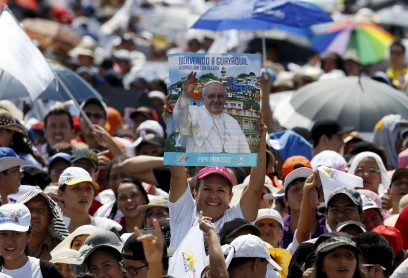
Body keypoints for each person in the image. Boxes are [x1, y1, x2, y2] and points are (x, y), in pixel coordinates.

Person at [168, 116, 267, 248]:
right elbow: (177, 176)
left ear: (230, 197)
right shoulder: (184, 212)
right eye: (207, 188)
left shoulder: (236, 219)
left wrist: (260, 142)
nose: (213, 195)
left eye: (221, 190)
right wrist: (173, 124)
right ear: (195, 193)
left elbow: (255, 189)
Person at [173, 72, 250, 153]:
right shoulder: (194, 113)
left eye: (220, 96)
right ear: (203, 99)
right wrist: (185, 94)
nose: (216, 100)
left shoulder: (233, 122)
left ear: (225, 99)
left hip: (229, 166)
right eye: (211, 96)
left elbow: (245, 154)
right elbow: (180, 121)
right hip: (199, 165)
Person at [0, 203, 64, 277]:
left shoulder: (46, 271)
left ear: (28, 236)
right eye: (3, 234)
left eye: (16, 234)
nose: (9, 241)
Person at [57, 167, 122, 232]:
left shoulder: (106, 228)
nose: (84, 194)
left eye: (88, 188)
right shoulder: (52, 230)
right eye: (76, 188)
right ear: (61, 194)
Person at [17, 189, 69, 260]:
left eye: (41, 210)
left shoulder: (62, 248)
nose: (34, 215)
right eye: (29, 209)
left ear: (50, 218)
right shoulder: (8, 244)